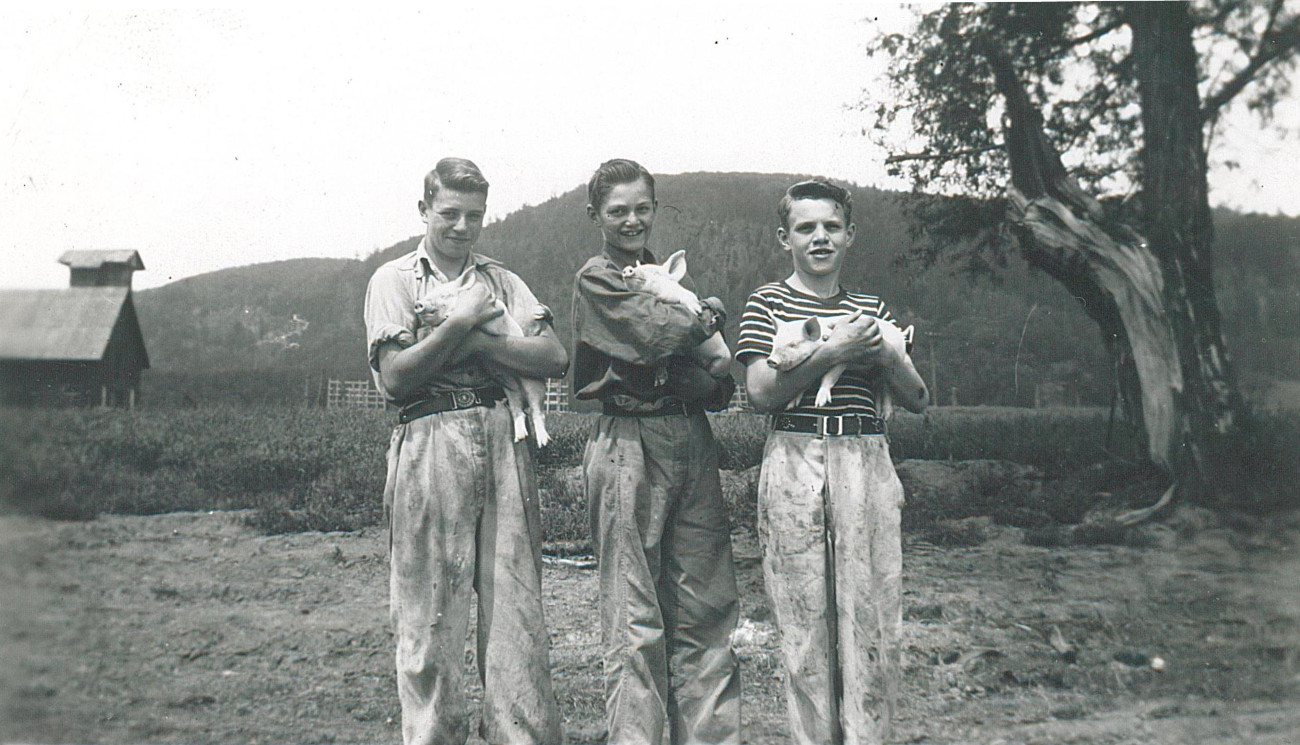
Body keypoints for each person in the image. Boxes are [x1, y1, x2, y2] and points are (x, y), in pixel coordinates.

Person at [363, 157, 566, 745]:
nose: (461, 226)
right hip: (428, 439)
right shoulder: (393, 281)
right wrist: (463, 329)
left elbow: (553, 357)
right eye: (448, 213)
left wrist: (470, 336)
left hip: (503, 435)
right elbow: (398, 377)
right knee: (430, 615)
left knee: (516, 614)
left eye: (474, 215)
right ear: (423, 208)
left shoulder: (501, 280)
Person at [735, 179, 929, 745]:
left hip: (865, 457)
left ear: (850, 235)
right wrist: (835, 351)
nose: (819, 237)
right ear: (784, 237)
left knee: (870, 617)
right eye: (805, 227)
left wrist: (883, 350)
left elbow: (917, 398)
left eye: (831, 227)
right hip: (796, 457)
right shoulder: (766, 303)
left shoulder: (872, 309)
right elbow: (761, 393)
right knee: (804, 626)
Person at [570, 158, 741, 745]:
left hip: (691, 437)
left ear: (655, 209)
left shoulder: (665, 277)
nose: (632, 220)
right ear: (596, 215)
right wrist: (709, 314)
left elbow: (721, 378)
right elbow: (658, 337)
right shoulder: (598, 278)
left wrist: (706, 371)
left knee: (706, 606)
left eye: (642, 208)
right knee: (635, 614)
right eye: (617, 211)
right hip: (629, 442)